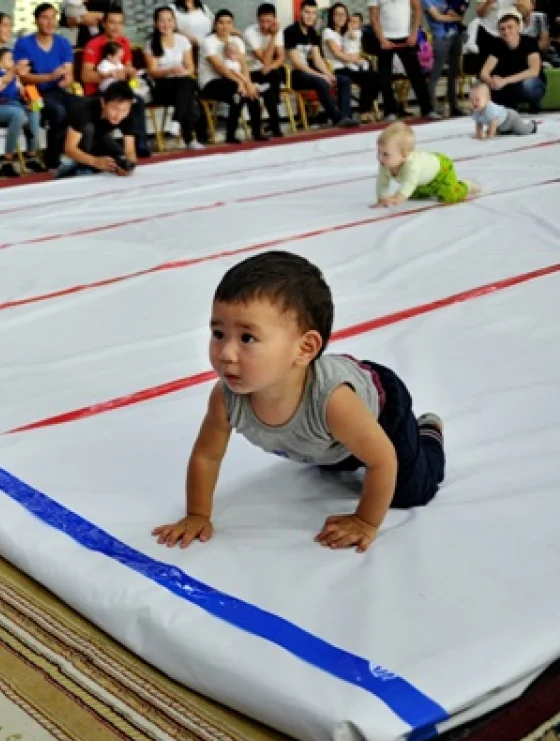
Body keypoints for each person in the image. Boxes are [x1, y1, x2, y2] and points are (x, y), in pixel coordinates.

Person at [153, 251, 445, 553]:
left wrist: (365, 521)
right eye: (218, 333)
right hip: (331, 440)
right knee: (334, 463)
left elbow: (382, 459)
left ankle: (428, 430)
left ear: (305, 348)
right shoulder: (226, 398)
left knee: (409, 492)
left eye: (247, 338)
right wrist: (197, 515)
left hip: (383, 411)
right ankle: (341, 449)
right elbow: (206, 457)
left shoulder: (334, 401)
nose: (226, 353)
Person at [0, 13, 46, 175]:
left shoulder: (9, 53)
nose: (9, 29)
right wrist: (12, 73)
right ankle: (8, 160)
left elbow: (16, 82)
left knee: (34, 109)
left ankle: (32, 157)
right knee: (18, 114)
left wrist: (23, 91)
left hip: (8, 100)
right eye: (5, 25)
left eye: (10, 25)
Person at [80, 8, 152, 157]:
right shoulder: (93, 44)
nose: (116, 27)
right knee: (131, 101)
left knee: (136, 100)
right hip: (97, 92)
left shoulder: (123, 42)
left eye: (120, 23)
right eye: (112, 22)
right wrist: (108, 75)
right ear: (104, 24)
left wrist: (130, 72)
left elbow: (128, 66)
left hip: (118, 89)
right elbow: (86, 76)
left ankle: (140, 143)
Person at [15, 4, 77, 169]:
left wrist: (65, 80)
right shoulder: (24, 44)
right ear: (36, 21)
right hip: (34, 93)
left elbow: (68, 73)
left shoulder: (63, 43)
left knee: (80, 107)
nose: (50, 23)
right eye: (45, 18)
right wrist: (49, 77)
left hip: (58, 90)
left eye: (53, 18)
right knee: (58, 111)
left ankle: (79, 154)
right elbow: (23, 77)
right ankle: (53, 159)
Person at [145, 6, 208, 150]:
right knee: (189, 89)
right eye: (162, 21)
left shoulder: (182, 40)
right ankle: (189, 138)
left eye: (169, 20)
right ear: (156, 23)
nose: (166, 24)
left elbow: (191, 67)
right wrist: (170, 70)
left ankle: (177, 122)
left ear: (174, 22)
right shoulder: (150, 44)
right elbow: (153, 72)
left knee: (187, 83)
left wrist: (182, 72)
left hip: (182, 83)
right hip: (162, 87)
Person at [199, 10, 267, 143]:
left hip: (232, 80)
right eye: (221, 23)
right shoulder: (208, 42)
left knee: (251, 92)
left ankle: (257, 132)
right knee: (239, 91)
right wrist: (241, 83)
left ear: (232, 25)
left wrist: (248, 83)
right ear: (214, 25)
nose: (225, 26)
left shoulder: (236, 41)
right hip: (211, 82)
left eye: (229, 23)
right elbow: (220, 68)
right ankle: (231, 134)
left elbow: (243, 66)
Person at [374, 121, 479, 206]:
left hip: (442, 169)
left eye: (385, 154)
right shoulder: (385, 164)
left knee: (449, 196)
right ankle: (432, 189)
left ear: (404, 156)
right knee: (412, 194)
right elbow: (382, 183)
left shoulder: (411, 166)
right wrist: (382, 198)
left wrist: (398, 197)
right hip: (423, 179)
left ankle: (466, 185)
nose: (380, 158)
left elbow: (409, 183)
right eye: (379, 152)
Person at [285, 0, 350, 127]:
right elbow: (297, 64)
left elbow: (317, 59)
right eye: (307, 12)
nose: (310, 16)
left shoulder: (312, 33)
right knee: (320, 82)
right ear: (300, 13)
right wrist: (321, 76)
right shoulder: (290, 32)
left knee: (343, 80)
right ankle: (337, 119)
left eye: (313, 13)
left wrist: (328, 74)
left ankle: (346, 116)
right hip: (295, 75)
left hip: (310, 74)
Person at [367, 0, 436, 119]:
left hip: (406, 37)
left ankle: (427, 109)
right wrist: (382, 39)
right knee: (385, 78)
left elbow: (417, 9)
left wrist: (414, 33)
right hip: (385, 38)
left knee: (416, 75)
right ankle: (390, 111)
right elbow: (374, 18)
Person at [56, 80, 138, 177]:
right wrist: (95, 161)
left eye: (124, 110)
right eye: (114, 108)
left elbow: (130, 151)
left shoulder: (127, 115)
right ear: (103, 103)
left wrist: (127, 166)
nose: (118, 115)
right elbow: (69, 148)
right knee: (88, 129)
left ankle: (88, 165)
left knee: (119, 157)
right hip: (67, 141)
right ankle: (76, 167)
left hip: (97, 138)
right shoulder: (84, 110)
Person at [322, 4, 381, 122]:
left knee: (374, 77)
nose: (340, 17)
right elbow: (338, 54)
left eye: (343, 14)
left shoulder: (348, 32)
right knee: (368, 77)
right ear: (332, 17)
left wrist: (357, 57)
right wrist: (355, 58)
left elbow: (356, 49)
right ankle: (364, 111)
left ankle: (363, 110)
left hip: (350, 66)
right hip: (337, 68)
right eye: (337, 14)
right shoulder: (328, 32)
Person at [480, 9, 547, 111]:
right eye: (502, 29)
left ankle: (533, 103)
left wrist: (504, 81)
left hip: (530, 84)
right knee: (480, 84)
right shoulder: (497, 45)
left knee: (528, 84)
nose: (506, 31)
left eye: (510, 27)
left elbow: (534, 71)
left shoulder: (529, 42)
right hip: (509, 86)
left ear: (518, 28)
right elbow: (484, 72)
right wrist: (492, 82)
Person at [242, 3, 288, 138]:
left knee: (273, 75)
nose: (265, 25)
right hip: (250, 71)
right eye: (262, 21)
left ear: (274, 19)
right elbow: (264, 60)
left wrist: (270, 67)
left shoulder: (278, 30)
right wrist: (273, 36)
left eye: (269, 21)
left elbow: (280, 58)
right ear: (257, 20)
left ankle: (274, 126)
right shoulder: (250, 32)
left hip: (267, 71)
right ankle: (269, 127)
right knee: (265, 84)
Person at [424, 0, 468, 115]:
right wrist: (455, 18)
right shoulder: (426, 1)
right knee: (436, 73)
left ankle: (454, 106)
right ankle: (432, 106)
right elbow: (437, 17)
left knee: (453, 72)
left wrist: (454, 16)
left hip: (455, 34)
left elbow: (457, 10)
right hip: (441, 38)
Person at [470, 79, 539, 134]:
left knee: (522, 131)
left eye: (477, 100)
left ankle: (532, 125)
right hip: (500, 125)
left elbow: (493, 124)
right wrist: (478, 134)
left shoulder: (489, 109)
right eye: (471, 100)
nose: (474, 103)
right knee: (498, 130)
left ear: (488, 99)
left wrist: (489, 136)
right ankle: (507, 130)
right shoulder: (476, 111)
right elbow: (479, 124)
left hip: (510, 118)